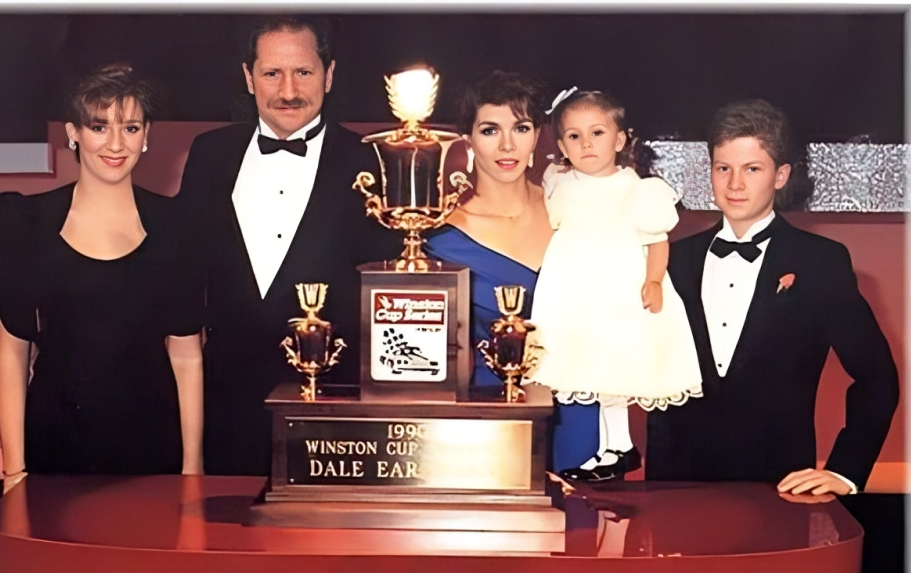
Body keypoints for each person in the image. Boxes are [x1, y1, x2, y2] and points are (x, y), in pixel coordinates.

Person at [176, 16, 396, 476]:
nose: (289, 90)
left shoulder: (374, 161)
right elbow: (186, 283)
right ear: (248, 77)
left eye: (304, 72)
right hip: (225, 413)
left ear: (329, 75)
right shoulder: (208, 155)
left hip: (337, 422)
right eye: (272, 73)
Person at [646, 99, 899, 495]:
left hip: (780, 491)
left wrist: (845, 471)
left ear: (780, 176)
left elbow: (878, 377)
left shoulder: (821, 262)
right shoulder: (669, 261)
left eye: (752, 169)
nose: (734, 185)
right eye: (723, 168)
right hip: (673, 492)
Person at [0, 64, 204, 493]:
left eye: (130, 127)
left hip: (152, 453)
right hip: (53, 451)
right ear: (73, 132)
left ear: (147, 137)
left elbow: (187, 359)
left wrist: (192, 471)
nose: (115, 143)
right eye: (99, 126)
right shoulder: (23, 222)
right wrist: (14, 472)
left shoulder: (177, 225)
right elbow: (12, 356)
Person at [424, 72, 601, 476]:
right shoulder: (441, 237)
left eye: (520, 128)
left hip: (581, 400)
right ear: (467, 139)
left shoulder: (574, 209)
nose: (507, 145)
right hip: (492, 417)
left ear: (537, 135)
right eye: (490, 130)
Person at [528, 89, 702, 482]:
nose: (586, 143)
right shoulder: (558, 182)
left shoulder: (638, 189)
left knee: (615, 368)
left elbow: (657, 240)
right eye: (574, 136)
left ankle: (619, 446)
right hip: (574, 291)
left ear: (620, 139)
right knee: (589, 366)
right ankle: (612, 448)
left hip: (617, 291)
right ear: (561, 146)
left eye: (597, 133)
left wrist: (654, 280)